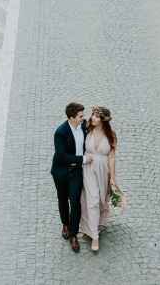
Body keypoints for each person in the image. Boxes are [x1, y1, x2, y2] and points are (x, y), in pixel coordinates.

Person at [51, 102, 94, 252]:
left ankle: (74, 234)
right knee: (62, 200)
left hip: (76, 172)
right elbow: (61, 155)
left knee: (75, 203)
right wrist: (82, 159)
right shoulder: (61, 132)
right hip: (62, 172)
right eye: (81, 116)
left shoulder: (83, 126)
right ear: (71, 118)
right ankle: (65, 225)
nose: (83, 119)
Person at [79, 106, 121, 252]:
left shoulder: (111, 134)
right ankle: (94, 236)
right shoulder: (87, 130)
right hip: (89, 169)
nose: (93, 118)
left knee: (102, 200)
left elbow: (111, 157)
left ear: (103, 119)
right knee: (92, 199)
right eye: (93, 115)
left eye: (96, 116)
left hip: (103, 170)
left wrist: (113, 177)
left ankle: (96, 223)